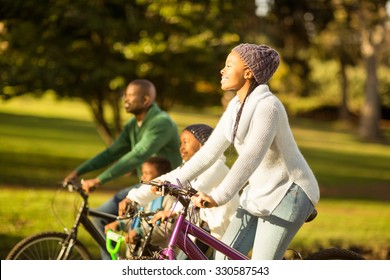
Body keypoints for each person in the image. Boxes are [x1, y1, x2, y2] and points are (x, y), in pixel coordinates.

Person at [173, 43, 320, 260]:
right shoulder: (235, 107)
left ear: (248, 73)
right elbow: (208, 153)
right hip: (259, 192)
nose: (222, 70)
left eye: (229, 65)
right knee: (223, 260)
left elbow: (251, 157)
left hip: (290, 192)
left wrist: (218, 196)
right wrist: (173, 181)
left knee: (262, 265)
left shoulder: (268, 107)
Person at [63, 79, 181, 259]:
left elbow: (138, 155)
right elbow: (111, 153)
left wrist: (99, 180)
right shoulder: (133, 125)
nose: (125, 99)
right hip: (144, 186)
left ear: (146, 100)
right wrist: (79, 171)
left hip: (164, 191)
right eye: (125, 95)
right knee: (100, 216)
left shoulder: (161, 122)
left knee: (132, 225)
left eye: (131, 95)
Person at [118, 124, 240, 247]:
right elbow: (166, 179)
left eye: (185, 142)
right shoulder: (188, 168)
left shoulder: (216, 167)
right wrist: (133, 198)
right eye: (180, 143)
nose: (181, 148)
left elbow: (197, 189)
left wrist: (172, 212)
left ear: (203, 145)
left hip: (223, 233)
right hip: (201, 232)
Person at [104, 156, 176, 257]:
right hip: (136, 252)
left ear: (161, 177)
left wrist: (140, 232)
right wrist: (120, 224)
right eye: (142, 173)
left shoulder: (169, 199)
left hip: (156, 255)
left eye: (147, 174)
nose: (142, 177)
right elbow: (136, 220)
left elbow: (167, 230)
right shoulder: (142, 197)